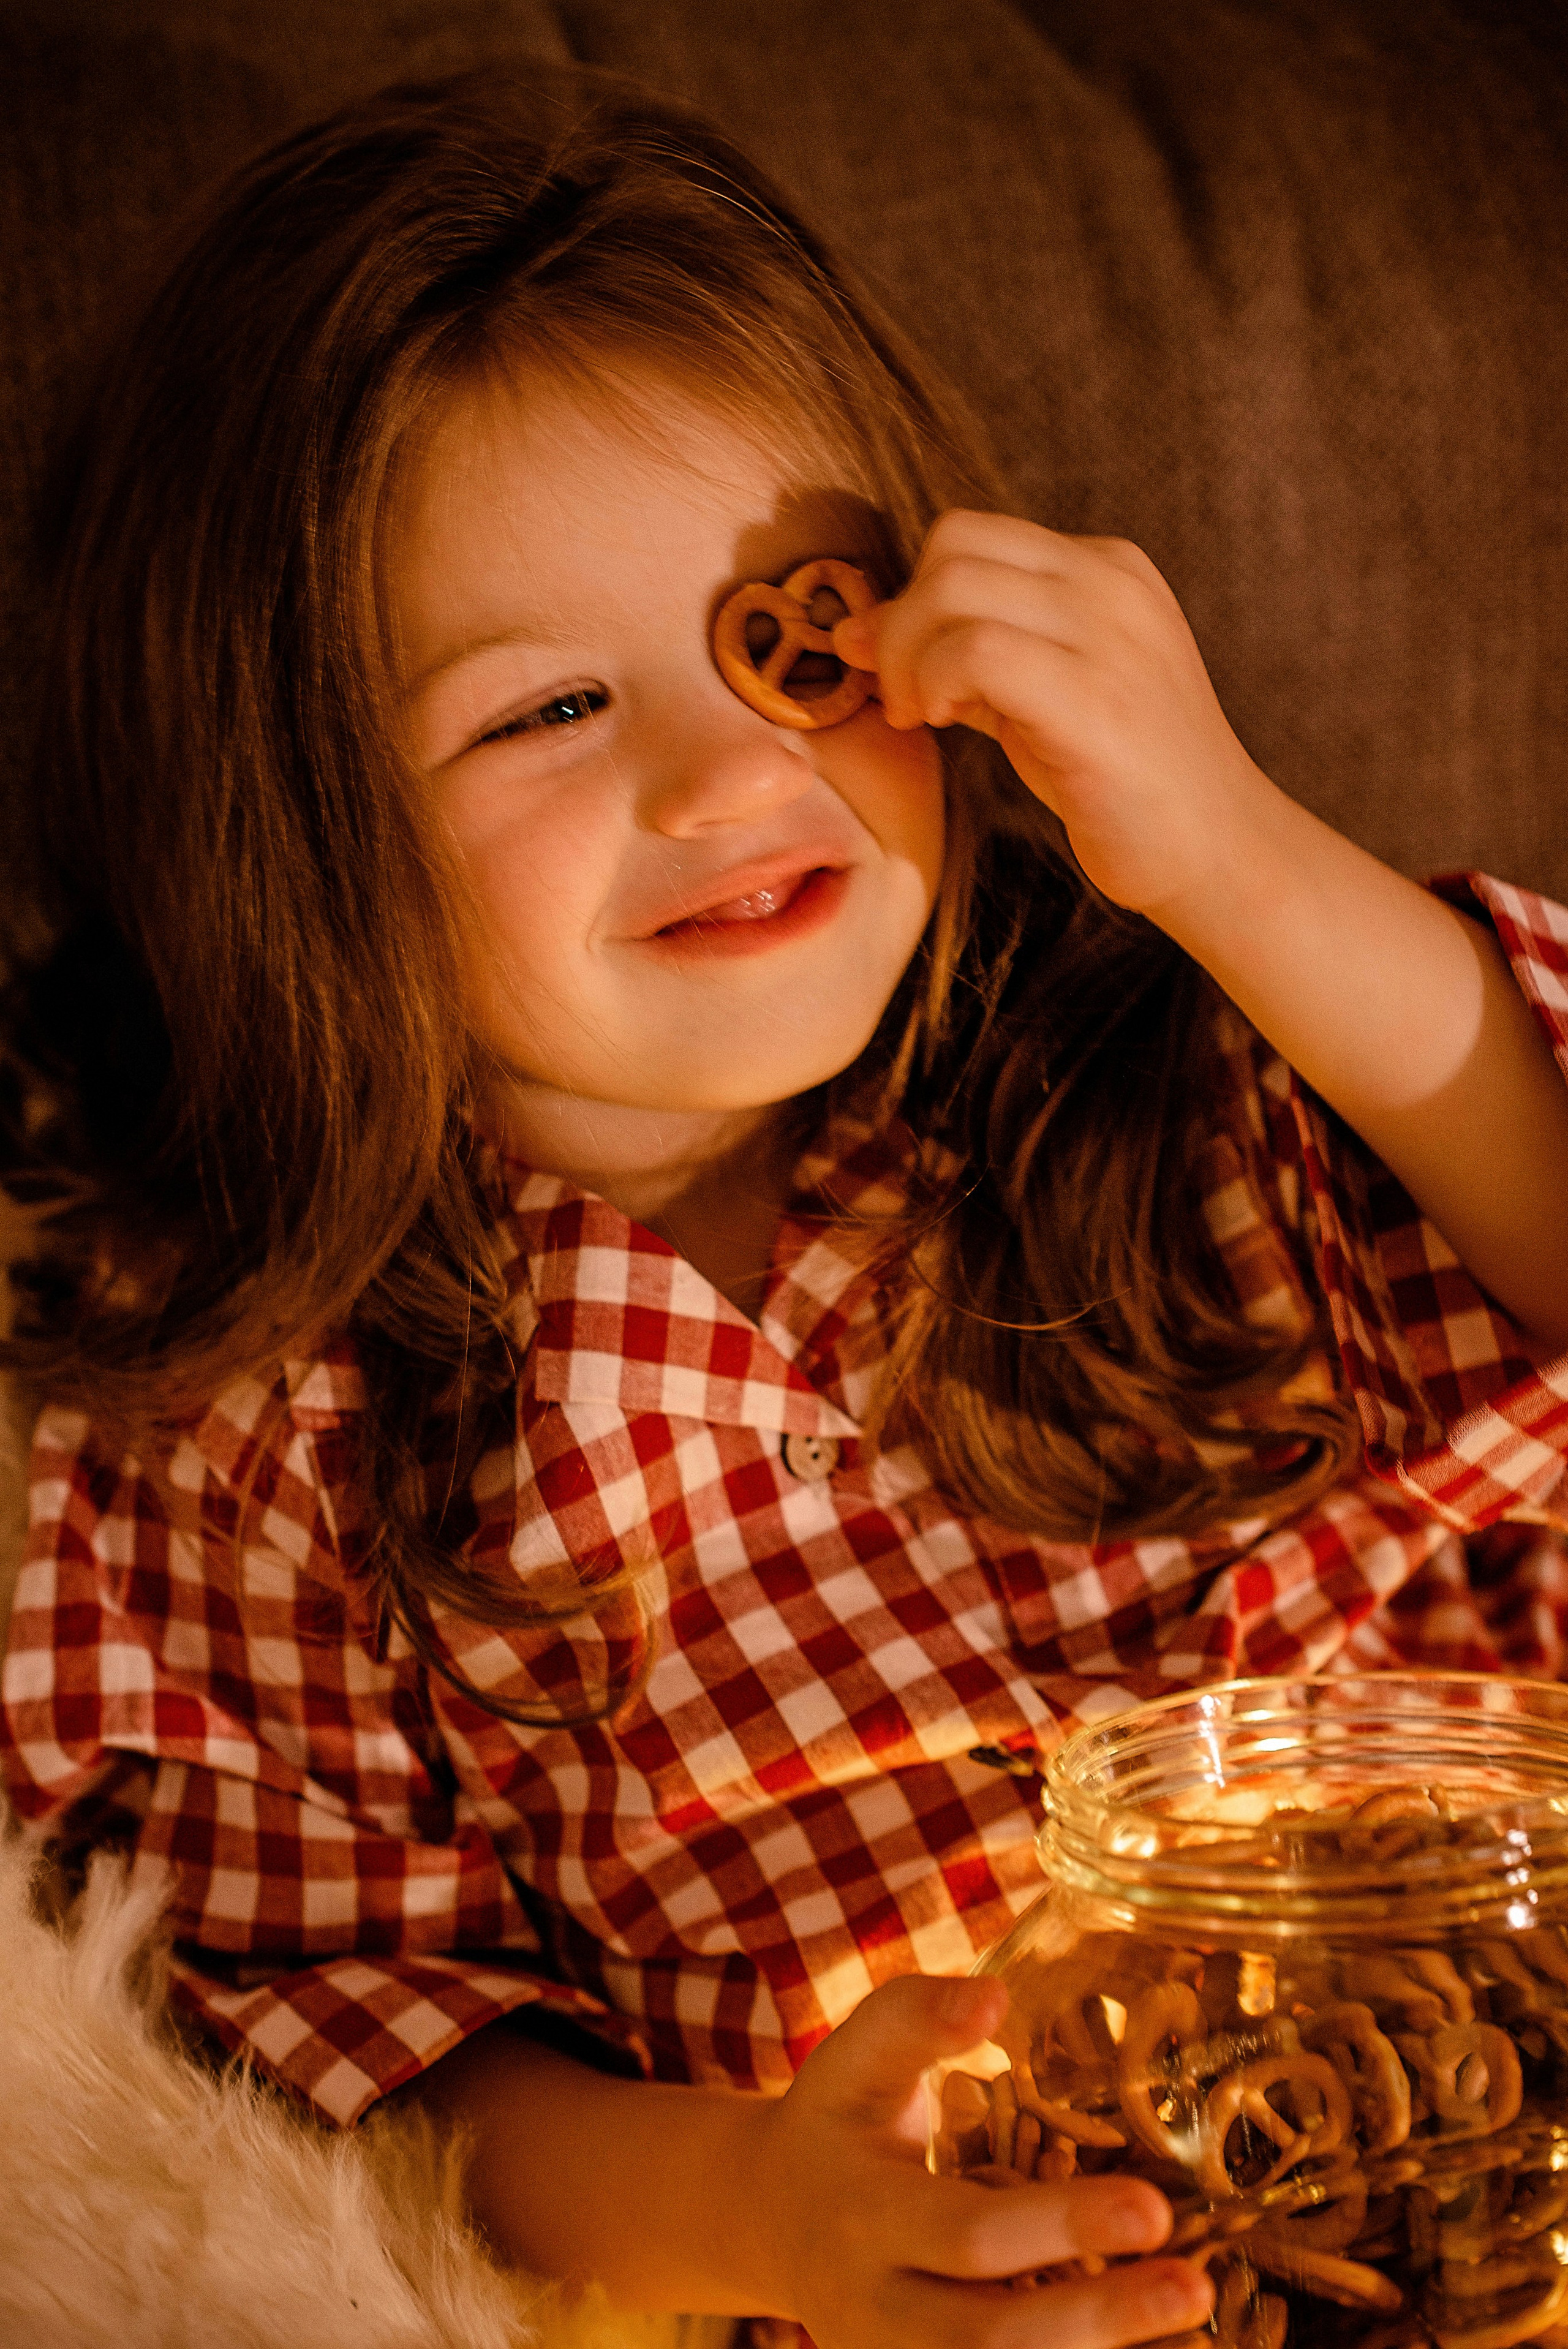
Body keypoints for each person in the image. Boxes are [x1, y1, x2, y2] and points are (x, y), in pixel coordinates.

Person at [4, 64, 1568, 2349]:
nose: (736, 771)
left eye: (800, 637)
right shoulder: (244, 1422)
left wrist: (1229, 846)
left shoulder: (1190, 1074)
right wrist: (755, 2200)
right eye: (545, 707)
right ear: (281, 829)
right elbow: (359, 2035)